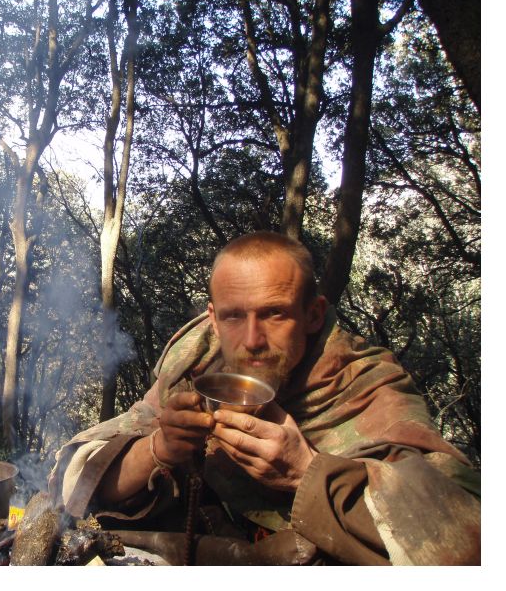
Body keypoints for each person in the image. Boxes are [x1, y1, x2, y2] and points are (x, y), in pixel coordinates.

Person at [47, 232, 480, 565]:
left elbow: (468, 541)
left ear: (312, 315)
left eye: (274, 313)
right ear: (214, 320)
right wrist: (159, 449)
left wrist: (306, 471)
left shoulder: (364, 383)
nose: (252, 341)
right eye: (234, 316)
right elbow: (75, 475)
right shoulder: (195, 365)